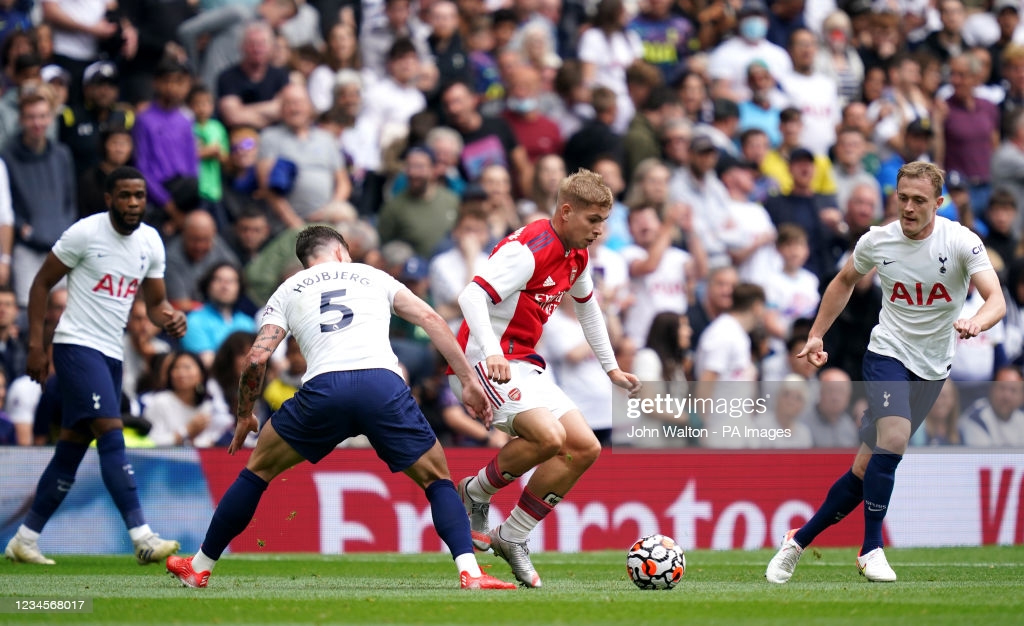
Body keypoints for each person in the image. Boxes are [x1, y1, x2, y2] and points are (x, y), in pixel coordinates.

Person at [165, 225, 516, 590]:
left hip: (323, 391)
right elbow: (432, 320)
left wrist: (244, 414)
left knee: (257, 472)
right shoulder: (372, 275)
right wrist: (469, 382)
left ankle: (201, 566)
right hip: (382, 386)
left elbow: (255, 360)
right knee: (436, 480)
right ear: (340, 252)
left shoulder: (289, 289)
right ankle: (471, 573)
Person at [765, 161, 1005, 584]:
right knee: (893, 438)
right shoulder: (878, 241)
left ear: (939, 203)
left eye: (919, 200)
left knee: (865, 470)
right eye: (902, 198)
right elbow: (842, 281)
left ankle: (797, 540)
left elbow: (996, 301)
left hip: (933, 368)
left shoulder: (962, 242)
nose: (909, 208)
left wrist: (977, 322)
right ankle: (871, 548)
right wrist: (818, 334)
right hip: (887, 353)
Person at [452, 169, 642, 588]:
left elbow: (589, 309)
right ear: (566, 211)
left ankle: (513, 535)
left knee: (585, 447)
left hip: (523, 362)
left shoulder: (576, 254)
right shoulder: (531, 247)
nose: (599, 231)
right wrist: (493, 352)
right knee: (549, 438)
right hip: (483, 360)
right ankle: (475, 492)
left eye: (604, 222)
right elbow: (471, 296)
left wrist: (610, 368)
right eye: (593, 220)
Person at [4, 166, 188, 565]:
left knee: (71, 449)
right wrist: (38, 346)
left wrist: (170, 316)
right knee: (110, 430)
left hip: (112, 354)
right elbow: (39, 284)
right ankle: (142, 536)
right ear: (109, 199)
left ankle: (25, 538)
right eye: (125, 195)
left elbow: (155, 304)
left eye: (139, 195)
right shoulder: (85, 233)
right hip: (75, 347)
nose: (134, 202)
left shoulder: (151, 242)